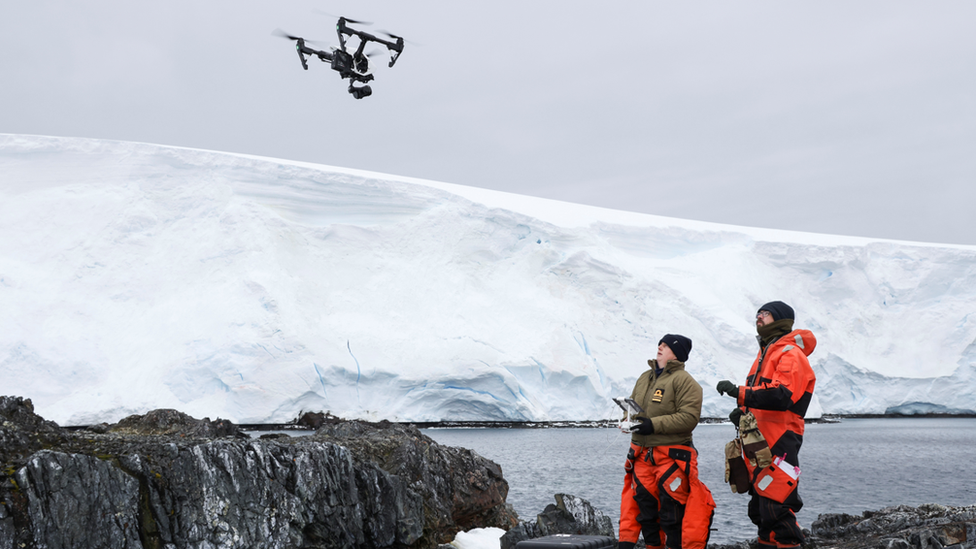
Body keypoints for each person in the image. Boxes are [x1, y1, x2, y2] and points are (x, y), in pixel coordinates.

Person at [716, 301, 817, 549]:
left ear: (781, 319)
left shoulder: (789, 354)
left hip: (781, 438)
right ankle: (766, 544)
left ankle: (788, 544)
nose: (759, 317)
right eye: (758, 313)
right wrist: (742, 413)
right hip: (759, 441)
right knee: (760, 507)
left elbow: (781, 396)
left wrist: (739, 393)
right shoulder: (765, 354)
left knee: (776, 502)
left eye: (765, 313)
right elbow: (761, 396)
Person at [619, 334, 715, 549]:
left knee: (673, 516)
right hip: (642, 455)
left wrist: (651, 425)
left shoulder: (686, 382)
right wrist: (629, 422)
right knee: (647, 515)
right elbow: (637, 411)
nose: (660, 347)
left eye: (666, 345)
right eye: (659, 344)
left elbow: (688, 419)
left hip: (671, 459)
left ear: (677, 353)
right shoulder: (645, 377)